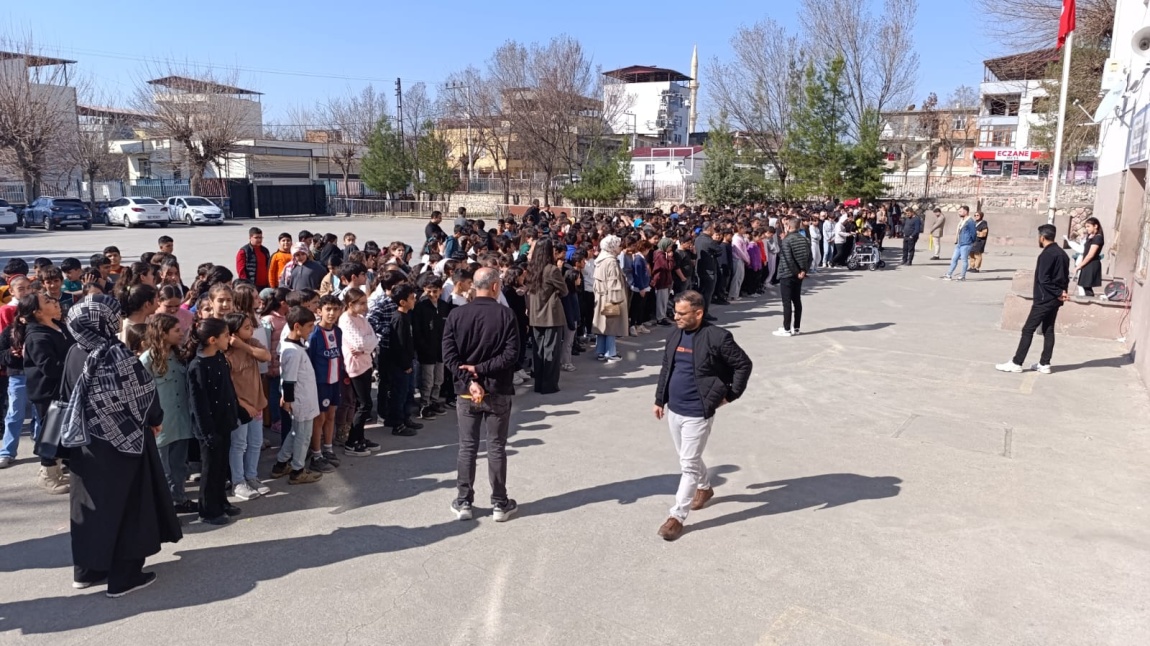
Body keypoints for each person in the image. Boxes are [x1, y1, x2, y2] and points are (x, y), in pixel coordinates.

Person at [60, 296, 181, 596]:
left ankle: (88, 570)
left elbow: (64, 394)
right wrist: (155, 418)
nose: (117, 321)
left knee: (90, 506)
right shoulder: (115, 354)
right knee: (128, 506)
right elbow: (142, 394)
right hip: (122, 445)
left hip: (83, 443)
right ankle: (124, 577)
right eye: (112, 317)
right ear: (100, 322)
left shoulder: (75, 351)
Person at [652, 290, 752, 541]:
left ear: (699, 313)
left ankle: (677, 516)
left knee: (687, 464)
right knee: (688, 457)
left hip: (698, 411)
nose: (676, 317)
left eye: (682, 313)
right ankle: (705, 488)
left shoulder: (717, 337)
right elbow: (667, 367)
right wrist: (659, 399)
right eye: (675, 312)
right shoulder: (674, 334)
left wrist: (731, 395)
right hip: (674, 408)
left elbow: (743, 364)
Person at [442, 267, 521, 522]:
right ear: (496, 286)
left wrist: (470, 377)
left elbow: (449, 356)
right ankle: (500, 502)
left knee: (467, 446)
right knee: (496, 446)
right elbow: (511, 356)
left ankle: (464, 500)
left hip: (467, 392)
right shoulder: (506, 315)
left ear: (475, 286)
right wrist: (481, 371)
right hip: (497, 389)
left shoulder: (457, 315)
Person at [140, 314, 199, 514]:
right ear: (163, 334)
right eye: (176, 330)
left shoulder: (179, 356)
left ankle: (179, 499)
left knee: (179, 466)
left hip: (181, 421)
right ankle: (165, 508)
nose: (181, 334)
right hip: (160, 425)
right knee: (163, 470)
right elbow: (140, 394)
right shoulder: (147, 360)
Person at [186, 318, 243, 526]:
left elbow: (228, 389)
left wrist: (237, 412)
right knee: (210, 469)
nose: (230, 338)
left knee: (221, 465)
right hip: (209, 427)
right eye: (226, 335)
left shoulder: (219, 357)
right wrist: (207, 432)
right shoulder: (197, 366)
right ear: (212, 339)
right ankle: (208, 510)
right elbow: (198, 404)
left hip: (224, 421)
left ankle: (221, 502)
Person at [15, 291, 73, 493]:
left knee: (63, 431)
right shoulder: (37, 336)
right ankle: (47, 474)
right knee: (51, 432)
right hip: (47, 392)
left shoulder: (59, 326)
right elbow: (50, 368)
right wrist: (74, 366)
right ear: (37, 312)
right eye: (48, 302)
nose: (55, 302)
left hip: (64, 389)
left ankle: (57, 471)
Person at [996, 224, 1070, 375]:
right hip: (1055, 299)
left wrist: (1057, 292)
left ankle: (1017, 362)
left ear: (1042, 237)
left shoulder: (1046, 255)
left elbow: (1043, 279)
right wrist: (1062, 292)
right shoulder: (1063, 254)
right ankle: (1045, 363)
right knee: (1048, 329)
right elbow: (1064, 278)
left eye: (1039, 237)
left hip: (1045, 299)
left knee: (1028, 329)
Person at [269, 306, 324, 484]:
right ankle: (298, 470)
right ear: (297, 327)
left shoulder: (293, 345)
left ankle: (281, 463)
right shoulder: (292, 351)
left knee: (295, 433)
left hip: (303, 397)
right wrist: (289, 400)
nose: (312, 330)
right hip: (301, 399)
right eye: (309, 326)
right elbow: (289, 379)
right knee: (303, 436)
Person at [223, 313, 271, 501]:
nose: (251, 330)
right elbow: (226, 386)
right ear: (233, 332)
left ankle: (252, 476)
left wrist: (243, 345)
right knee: (239, 444)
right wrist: (243, 405)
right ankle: (238, 481)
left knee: (255, 442)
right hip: (240, 407)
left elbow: (265, 356)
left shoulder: (251, 344)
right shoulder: (225, 354)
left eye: (251, 326)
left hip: (257, 403)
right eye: (246, 327)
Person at [338, 287, 380, 456]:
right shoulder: (345, 320)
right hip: (355, 366)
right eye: (361, 303)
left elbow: (374, 338)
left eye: (365, 303)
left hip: (366, 362)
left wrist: (366, 348)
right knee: (364, 404)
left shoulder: (362, 319)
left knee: (363, 404)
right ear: (351, 304)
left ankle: (360, 437)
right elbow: (358, 343)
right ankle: (351, 441)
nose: (365, 307)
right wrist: (365, 347)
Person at [525, 237, 569, 394]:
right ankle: (549, 384)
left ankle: (538, 383)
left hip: (535, 313)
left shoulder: (532, 268)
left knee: (539, 350)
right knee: (551, 350)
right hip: (550, 315)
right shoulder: (552, 269)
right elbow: (564, 290)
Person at [773, 217, 812, 337]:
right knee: (796, 300)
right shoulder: (804, 239)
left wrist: (797, 272)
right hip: (799, 274)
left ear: (789, 227)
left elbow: (788, 259)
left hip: (787, 273)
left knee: (787, 302)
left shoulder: (787, 240)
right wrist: (803, 271)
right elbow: (810, 257)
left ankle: (787, 329)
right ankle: (796, 327)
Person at [592, 235, 629, 363]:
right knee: (611, 326)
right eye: (618, 245)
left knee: (602, 326)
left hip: (601, 296)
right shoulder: (611, 261)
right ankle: (610, 353)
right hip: (611, 298)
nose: (620, 247)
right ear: (612, 247)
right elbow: (614, 283)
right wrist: (617, 300)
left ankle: (600, 351)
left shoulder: (600, 259)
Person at [943, 206, 976, 281]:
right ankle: (949, 274)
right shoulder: (962, 220)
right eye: (959, 211)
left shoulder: (970, 221)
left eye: (960, 211)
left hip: (966, 243)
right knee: (954, 259)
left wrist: (971, 242)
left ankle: (962, 276)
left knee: (964, 260)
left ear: (966, 212)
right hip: (959, 243)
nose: (959, 213)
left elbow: (973, 233)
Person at [1075, 217, 1105, 297]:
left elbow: (1091, 254)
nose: (1087, 229)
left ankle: (1090, 301)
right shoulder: (1091, 236)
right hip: (1087, 264)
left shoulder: (1098, 238)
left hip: (1091, 264)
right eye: (1086, 227)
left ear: (1095, 226)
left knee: (1087, 287)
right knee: (1085, 286)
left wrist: (1079, 266)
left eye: (1088, 226)